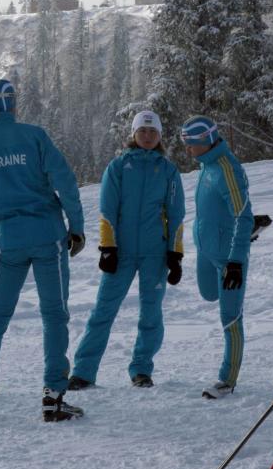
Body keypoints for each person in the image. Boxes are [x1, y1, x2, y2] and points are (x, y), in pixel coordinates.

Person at [0, 78, 86, 424]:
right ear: (12, 104)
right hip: (48, 237)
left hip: (7, 242)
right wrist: (77, 227)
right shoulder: (34, 136)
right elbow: (66, 182)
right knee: (54, 314)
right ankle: (53, 399)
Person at [68, 111, 185, 390]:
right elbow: (107, 210)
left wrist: (175, 254)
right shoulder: (119, 167)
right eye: (142, 131)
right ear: (133, 134)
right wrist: (108, 247)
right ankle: (84, 371)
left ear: (159, 137)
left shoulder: (168, 170)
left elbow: (176, 213)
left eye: (153, 132)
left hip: (154, 254)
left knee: (151, 313)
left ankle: (142, 369)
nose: (147, 136)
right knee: (103, 311)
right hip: (120, 254)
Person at [180, 115, 253, 399]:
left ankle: (227, 380)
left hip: (229, 260)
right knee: (208, 294)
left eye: (191, 144)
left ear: (207, 141)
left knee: (230, 317)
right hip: (207, 251)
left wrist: (236, 260)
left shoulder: (226, 169)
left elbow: (243, 216)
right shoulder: (207, 165)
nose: (187, 150)